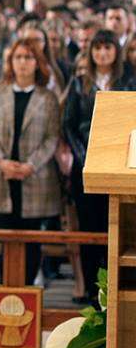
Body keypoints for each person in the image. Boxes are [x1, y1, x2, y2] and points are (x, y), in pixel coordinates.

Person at [0, 39, 61, 285]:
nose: (23, 62)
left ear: (37, 63)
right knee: (3, 241)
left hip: (33, 178)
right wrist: (1, 161)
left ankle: (25, 293)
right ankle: (3, 295)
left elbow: (52, 137)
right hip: (1, 176)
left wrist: (31, 165)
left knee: (31, 242)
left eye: (28, 57)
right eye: (18, 57)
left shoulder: (47, 98)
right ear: (11, 62)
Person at [63, 29, 130, 303]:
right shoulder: (80, 83)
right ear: (91, 52)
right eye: (97, 48)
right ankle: (93, 290)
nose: (102, 53)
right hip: (85, 162)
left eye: (107, 48)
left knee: (115, 226)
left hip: (118, 162)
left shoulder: (128, 81)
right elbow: (69, 124)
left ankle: (115, 288)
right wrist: (82, 155)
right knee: (89, 227)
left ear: (116, 51)